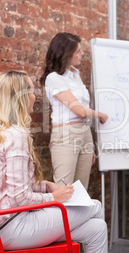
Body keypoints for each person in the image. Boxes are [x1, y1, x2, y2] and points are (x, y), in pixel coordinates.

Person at [0, 71, 107, 252]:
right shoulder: (15, 136)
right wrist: (53, 198)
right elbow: (19, 198)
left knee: (96, 229)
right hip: (13, 228)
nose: (34, 96)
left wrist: (45, 185)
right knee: (96, 206)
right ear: (19, 98)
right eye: (30, 90)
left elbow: (10, 186)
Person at [40, 32, 108, 189]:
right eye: (78, 51)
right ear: (66, 54)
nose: (82, 54)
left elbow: (83, 114)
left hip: (84, 133)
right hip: (66, 135)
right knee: (64, 188)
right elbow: (80, 111)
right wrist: (99, 115)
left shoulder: (76, 75)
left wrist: (87, 142)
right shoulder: (54, 78)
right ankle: (62, 215)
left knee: (81, 190)